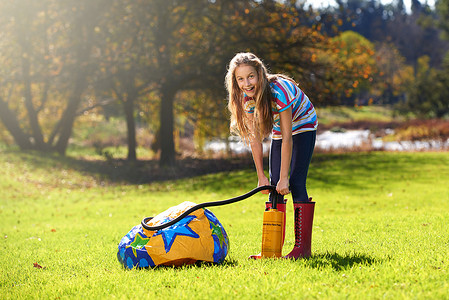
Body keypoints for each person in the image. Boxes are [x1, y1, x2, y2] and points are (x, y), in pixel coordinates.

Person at [225, 52, 317, 259]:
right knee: (273, 186)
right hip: (280, 130)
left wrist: (285, 177)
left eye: (250, 76)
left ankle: (302, 250)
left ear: (259, 74)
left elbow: (288, 138)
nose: (246, 83)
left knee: (295, 183)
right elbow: (255, 140)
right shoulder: (245, 99)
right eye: (240, 79)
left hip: (303, 124)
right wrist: (261, 177)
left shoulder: (278, 91)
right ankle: (271, 250)